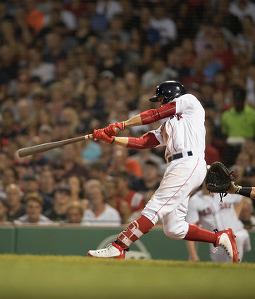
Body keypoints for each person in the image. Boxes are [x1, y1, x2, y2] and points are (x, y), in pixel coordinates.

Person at [88, 81, 239, 262]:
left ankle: (118, 246)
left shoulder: (189, 101)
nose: (160, 103)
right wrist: (112, 140)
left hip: (188, 162)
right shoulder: (169, 125)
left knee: (154, 208)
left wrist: (121, 124)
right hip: (177, 166)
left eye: (161, 99)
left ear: (170, 96)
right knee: (174, 228)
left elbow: (155, 114)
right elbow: (144, 142)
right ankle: (219, 238)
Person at [186, 182, 251, 263]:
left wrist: (236, 214)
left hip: (236, 231)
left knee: (238, 238)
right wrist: (193, 255)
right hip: (217, 240)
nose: (211, 182)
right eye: (208, 179)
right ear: (203, 181)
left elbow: (242, 196)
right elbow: (191, 229)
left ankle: (235, 266)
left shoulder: (226, 192)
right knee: (220, 266)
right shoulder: (195, 201)